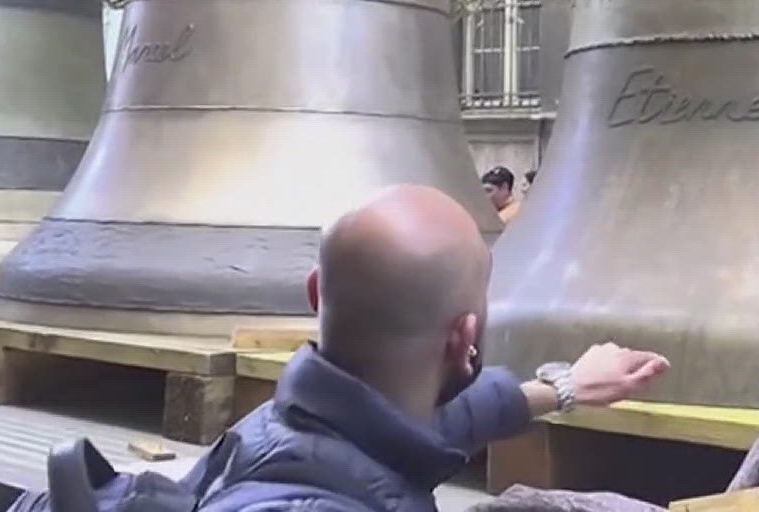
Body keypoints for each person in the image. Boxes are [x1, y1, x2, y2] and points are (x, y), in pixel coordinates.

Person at [194, 184, 669, 511]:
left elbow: (438, 421)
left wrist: (568, 386)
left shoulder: (293, 427)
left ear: (317, 292)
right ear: (464, 337)